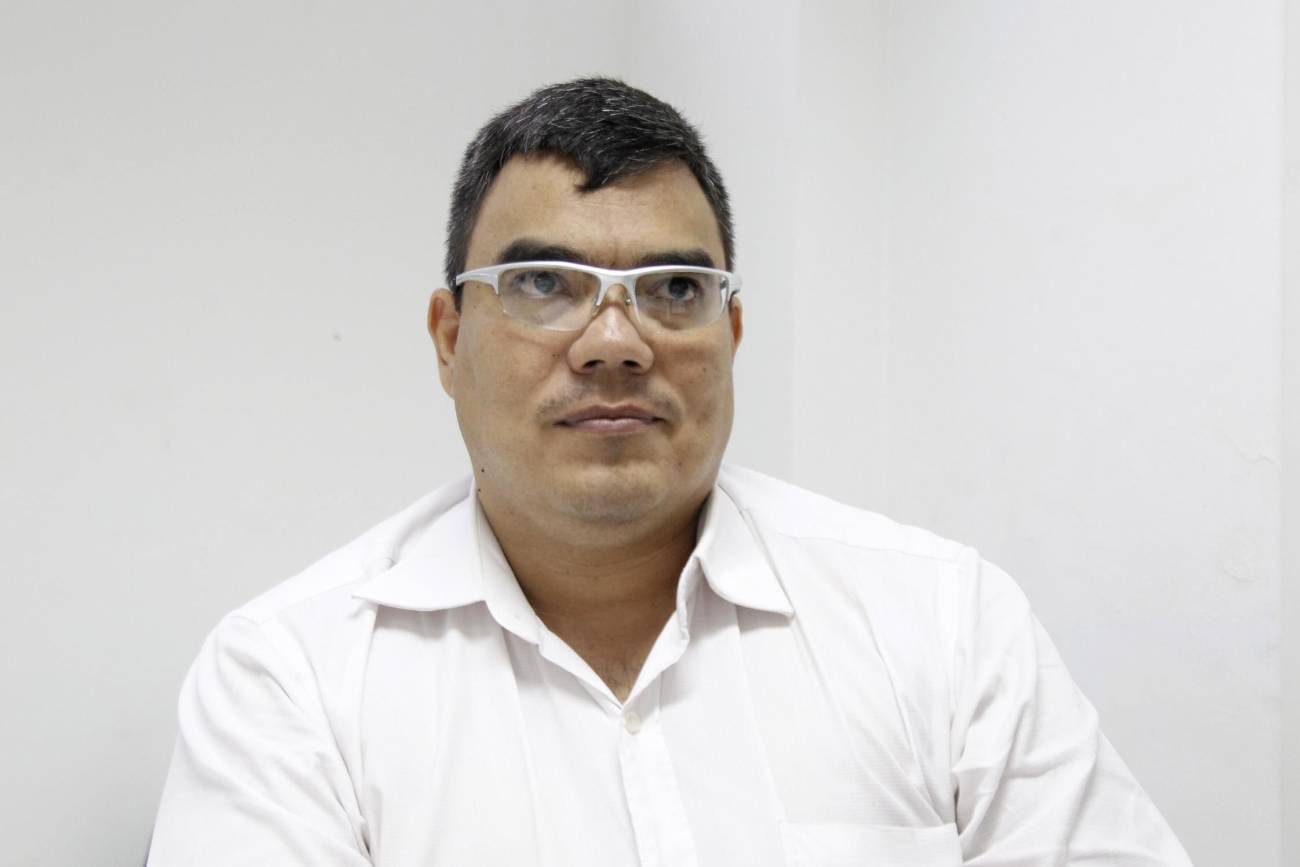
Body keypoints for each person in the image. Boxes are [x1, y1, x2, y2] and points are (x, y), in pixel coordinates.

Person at [148, 78, 1193, 866]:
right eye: (544, 283)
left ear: (731, 334)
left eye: (675, 289)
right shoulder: (290, 678)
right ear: (448, 338)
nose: (615, 341)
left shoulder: (942, 621)